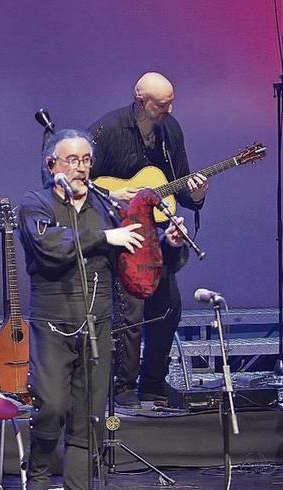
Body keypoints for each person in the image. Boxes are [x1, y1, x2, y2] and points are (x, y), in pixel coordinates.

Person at [19, 129, 188, 490]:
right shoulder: (35, 204)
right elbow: (50, 247)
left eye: (86, 161)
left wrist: (167, 245)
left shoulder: (106, 208)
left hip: (98, 324)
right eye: (72, 161)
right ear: (52, 166)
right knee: (51, 407)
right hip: (52, 323)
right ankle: (36, 482)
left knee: (89, 416)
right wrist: (103, 237)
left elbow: (138, 261)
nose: (81, 168)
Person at [88, 72, 208, 406]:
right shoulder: (108, 130)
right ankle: (123, 386)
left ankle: (153, 382)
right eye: (162, 106)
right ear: (140, 101)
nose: (168, 112)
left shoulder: (171, 131)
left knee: (169, 307)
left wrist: (195, 195)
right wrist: (115, 196)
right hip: (119, 232)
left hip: (155, 236)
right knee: (129, 312)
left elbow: (179, 189)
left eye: (171, 104)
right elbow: (77, 182)